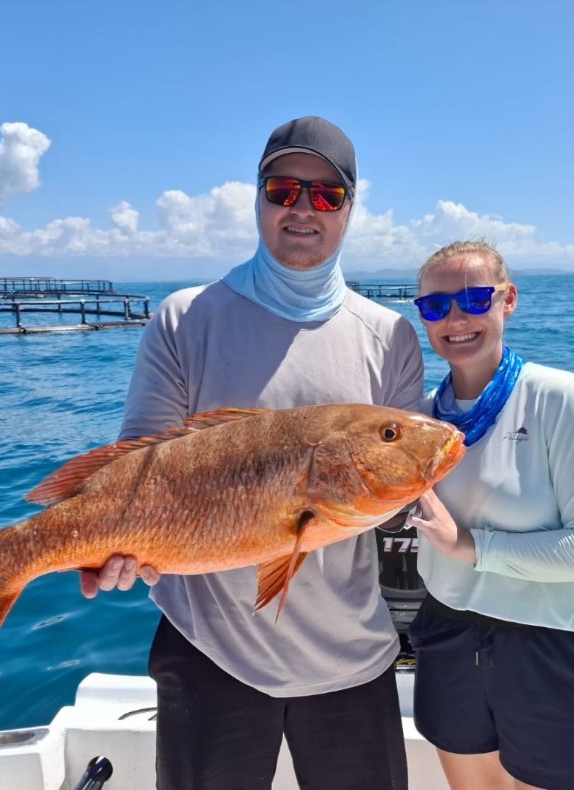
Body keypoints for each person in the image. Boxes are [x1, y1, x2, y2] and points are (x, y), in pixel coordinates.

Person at [81, 116, 424, 789]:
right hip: (208, 652)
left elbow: (396, 496)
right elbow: (134, 473)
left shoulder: (390, 336)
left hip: (351, 656)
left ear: (351, 208)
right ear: (257, 196)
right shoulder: (184, 317)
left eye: (326, 195)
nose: (303, 209)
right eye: (283, 189)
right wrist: (111, 543)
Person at [406, 240, 574, 790]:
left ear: (508, 301)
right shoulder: (418, 423)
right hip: (447, 633)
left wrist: (469, 546)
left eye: (475, 298)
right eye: (435, 307)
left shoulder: (558, 396)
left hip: (549, 642)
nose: (455, 319)